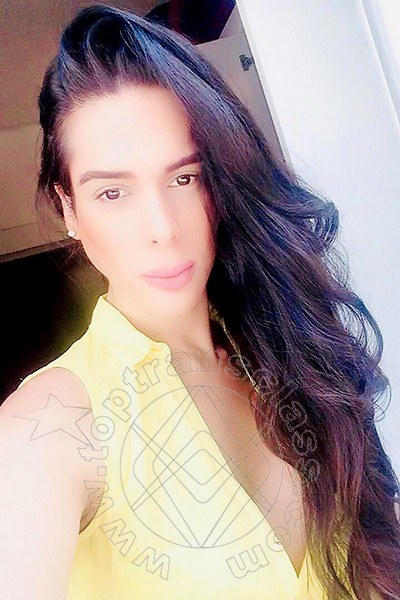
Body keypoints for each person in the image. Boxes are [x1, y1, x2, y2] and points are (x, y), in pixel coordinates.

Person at [0, 4, 398, 599]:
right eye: (113, 193)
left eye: (184, 178)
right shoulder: (50, 423)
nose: (163, 228)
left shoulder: (285, 351)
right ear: (69, 211)